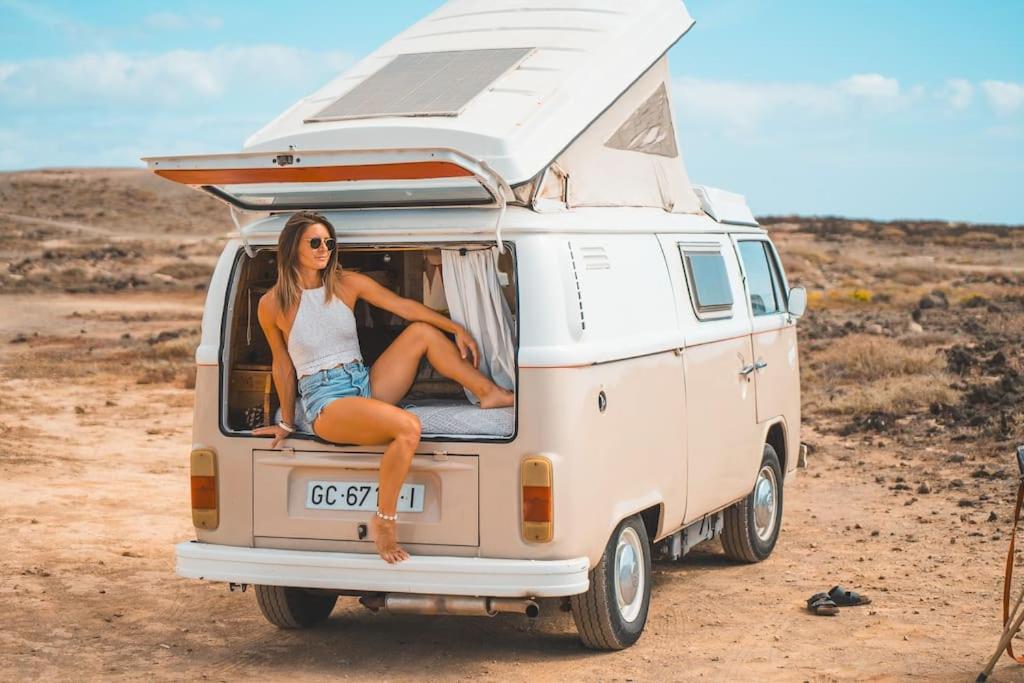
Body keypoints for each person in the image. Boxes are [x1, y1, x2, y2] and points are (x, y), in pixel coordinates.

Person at [253, 211, 514, 563]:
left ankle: (488, 393)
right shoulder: (272, 304)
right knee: (408, 428)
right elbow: (282, 365)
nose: (324, 250)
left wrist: (454, 328)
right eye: (315, 242)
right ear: (291, 248)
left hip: (363, 381)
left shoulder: (346, 283)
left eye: (329, 243)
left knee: (421, 333)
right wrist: (287, 420)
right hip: (326, 401)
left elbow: (402, 307)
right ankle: (384, 521)